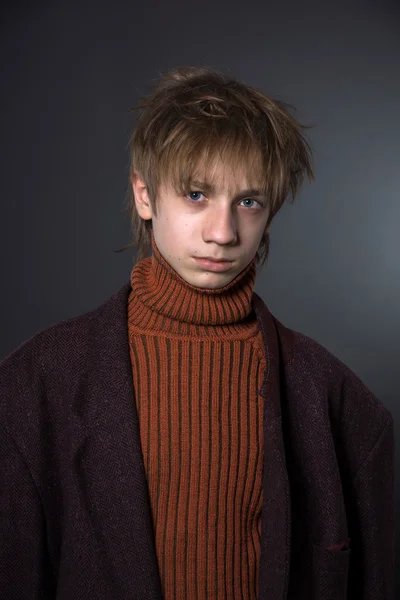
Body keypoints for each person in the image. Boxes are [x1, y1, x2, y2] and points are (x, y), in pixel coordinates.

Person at [0, 66, 394, 600]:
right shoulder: (35, 383)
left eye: (248, 202)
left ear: (270, 213)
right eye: (196, 194)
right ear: (144, 194)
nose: (223, 232)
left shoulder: (336, 400)